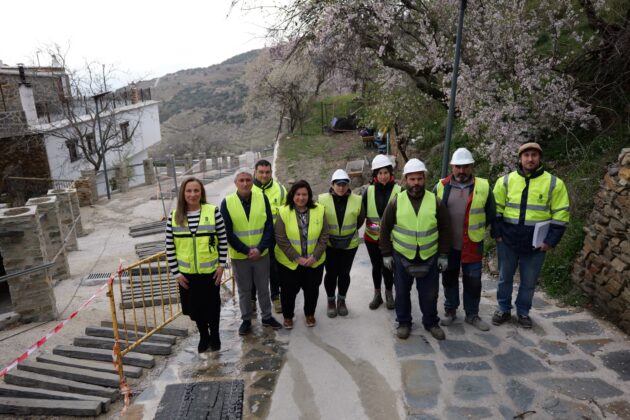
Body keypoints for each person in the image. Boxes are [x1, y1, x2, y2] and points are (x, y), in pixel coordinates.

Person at [492, 142, 570, 328]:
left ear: (540, 158)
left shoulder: (555, 184)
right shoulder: (505, 181)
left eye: (534, 155)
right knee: (504, 278)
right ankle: (503, 309)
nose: (530, 159)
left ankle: (523, 312)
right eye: (526, 155)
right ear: (520, 159)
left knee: (529, 282)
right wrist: (497, 235)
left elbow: (561, 215)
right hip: (507, 241)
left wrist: (550, 241)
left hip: (536, 244)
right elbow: (495, 210)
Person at [380, 159, 452, 340]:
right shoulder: (396, 202)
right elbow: (384, 228)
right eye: (412, 179)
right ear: (405, 180)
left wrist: (443, 254)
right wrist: (386, 254)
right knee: (402, 293)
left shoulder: (435, 201)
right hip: (402, 256)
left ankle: (431, 322)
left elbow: (445, 228)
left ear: (424, 179)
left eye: (419, 179)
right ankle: (404, 322)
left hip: (429, 256)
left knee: (430, 294)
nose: (416, 183)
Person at [434, 148, 495, 331]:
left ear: (472, 166)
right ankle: (450, 310)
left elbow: (491, 214)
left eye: (466, 166)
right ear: (452, 167)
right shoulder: (441, 186)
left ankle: (472, 314)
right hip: (448, 245)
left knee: (473, 281)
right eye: (458, 167)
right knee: (449, 279)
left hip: (473, 243)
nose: (462, 171)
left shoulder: (483, 187)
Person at [166, 177, 227, 353]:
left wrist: (221, 265)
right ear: (183, 193)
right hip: (187, 274)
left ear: (201, 193)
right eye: (189, 191)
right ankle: (203, 335)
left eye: (196, 191)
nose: (192, 194)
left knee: (212, 307)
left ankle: (215, 335)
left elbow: (223, 240)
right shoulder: (174, 216)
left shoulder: (213, 212)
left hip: (210, 272)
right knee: (196, 309)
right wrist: (176, 273)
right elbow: (170, 246)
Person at [220, 169, 282, 336]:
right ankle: (246, 320)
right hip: (240, 257)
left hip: (261, 254)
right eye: (241, 180)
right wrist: (246, 250)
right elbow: (227, 231)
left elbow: (269, 226)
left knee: (263, 288)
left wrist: (260, 248)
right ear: (236, 183)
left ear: (252, 182)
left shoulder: (262, 198)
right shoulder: (227, 202)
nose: (245, 183)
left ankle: (267, 317)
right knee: (244, 290)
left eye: (248, 180)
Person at [274, 180, 329, 328]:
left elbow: (324, 236)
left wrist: (315, 256)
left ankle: (310, 314)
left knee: (312, 289)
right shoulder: (283, 211)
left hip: (314, 261)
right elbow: (281, 238)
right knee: (288, 291)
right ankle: (288, 317)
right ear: (292, 195)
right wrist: (296, 258)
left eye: (304, 194)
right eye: (298, 194)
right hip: (289, 262)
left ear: (309, 195)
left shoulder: (319, 210)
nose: (301, 198)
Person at [319, 169, 365, 318]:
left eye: (344, 184)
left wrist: (348, 232)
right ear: (332, 185)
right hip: (330, 244)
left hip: (349, 244)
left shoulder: (357, 200)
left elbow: (360, 219)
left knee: (344, 273)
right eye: (338, 184)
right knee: (331, 273)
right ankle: (331, 301)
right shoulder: (322, 200)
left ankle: (342, 300)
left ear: (348, 185)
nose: (341, 187)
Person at [362, 155, 401, 310]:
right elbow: (362, 213)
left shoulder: (399, 191)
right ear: (375, 175)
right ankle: (377, 294)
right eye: (380, 173)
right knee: (376, 266)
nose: (383, 176)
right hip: (372, 238)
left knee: (389, 267)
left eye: (385, 172)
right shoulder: (369, 191)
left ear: (390, 173)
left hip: (391, 239)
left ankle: (389, 293)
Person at [251, 159, 287, 314]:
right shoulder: (248, 189)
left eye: (267, 172)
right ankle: (251, 300)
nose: (264, 175)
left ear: (271, 172)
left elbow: (287, 213)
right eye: (261, 172)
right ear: (255, 172)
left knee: (274, 269)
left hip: (275, 238)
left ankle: (276, 297)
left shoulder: (280, 190)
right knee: (253, 270)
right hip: (254, 238)